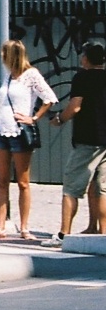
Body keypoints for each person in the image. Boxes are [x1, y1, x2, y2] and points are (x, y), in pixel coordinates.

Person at [0, 39, 56, 240]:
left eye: (4, 54)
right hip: (0, 130)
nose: (2, 58)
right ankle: (1, 225)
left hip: (19, 131)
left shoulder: (31, 75)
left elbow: (50, 98)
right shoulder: (8, 76)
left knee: (23, 181)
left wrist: (34, 117)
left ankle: (25, 226)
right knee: (2, 181)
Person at [51, 40, 106, 242]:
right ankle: (100, 232)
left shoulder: (82, 78)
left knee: (71, 187)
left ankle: (63, 234)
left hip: (88, 138)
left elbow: (75, 106)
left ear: (85, 58)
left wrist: (59, 119)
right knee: (100, 187)